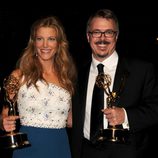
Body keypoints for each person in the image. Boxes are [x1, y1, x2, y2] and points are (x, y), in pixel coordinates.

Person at [71, 9, 158, 158]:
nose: (102, 38)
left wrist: (126, 116)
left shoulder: (141, 70)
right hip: (85, 152)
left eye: (109, 32)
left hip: (126, 153)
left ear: (116, 36)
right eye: (96, 32)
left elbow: (155, 109)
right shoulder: (76, 74)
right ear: (88, 36)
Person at [1, 15, 77, 158]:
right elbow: (5, 115)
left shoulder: (67, 79)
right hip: (28, 147)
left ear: (59, 43)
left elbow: (72, 121)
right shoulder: (18, 75)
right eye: (40, 39)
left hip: (59, 147)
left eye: (51, 39)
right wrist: (3, 122)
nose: (45, 45)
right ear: (33, 42)